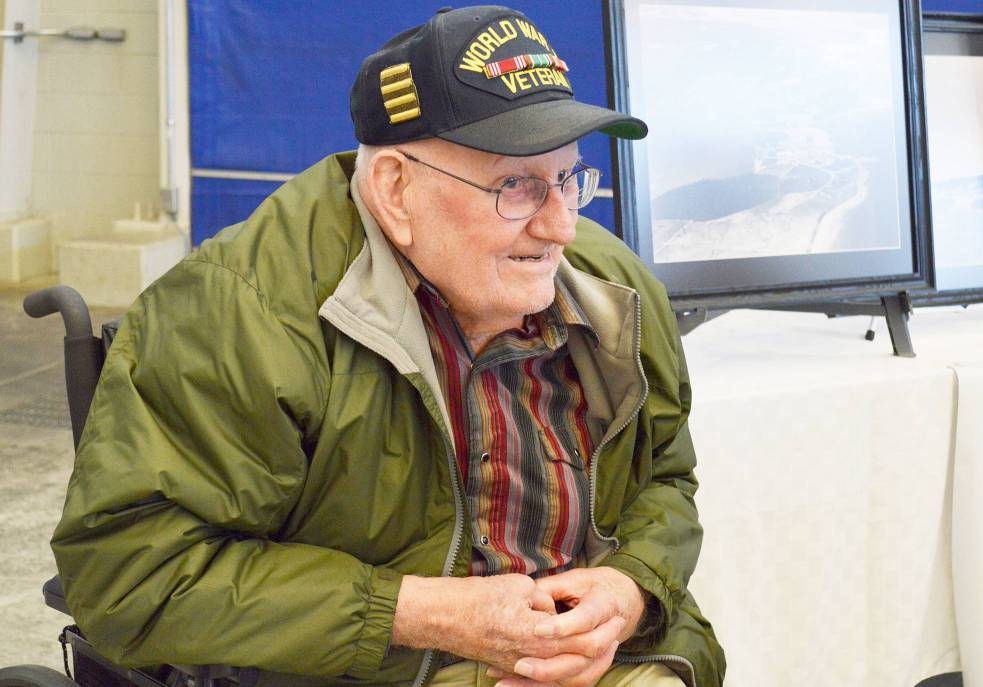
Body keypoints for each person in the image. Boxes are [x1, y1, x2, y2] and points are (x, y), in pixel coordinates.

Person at [51, 6, 725, 687]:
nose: (560, 228)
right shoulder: (239, 314)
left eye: (570, 178)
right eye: (515, 186)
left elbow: (664, 478)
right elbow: (129, 575)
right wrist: (420, 612)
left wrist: (630, 587)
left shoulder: (615, 293)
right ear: (395, 190)